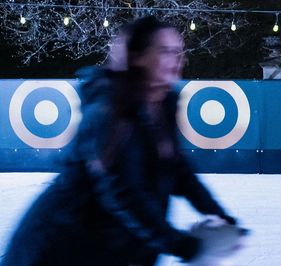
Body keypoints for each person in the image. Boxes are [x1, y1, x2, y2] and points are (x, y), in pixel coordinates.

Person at [2, 16, 242, 265]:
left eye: (179, 51)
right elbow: (122, 194)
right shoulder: (108, 110)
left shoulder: (164, 103)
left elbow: (177, 170)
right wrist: (183, 246)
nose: (178, 60)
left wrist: (219, 215)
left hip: (111, 246)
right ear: (137, 56)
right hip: (62, 245)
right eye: (166, 51)